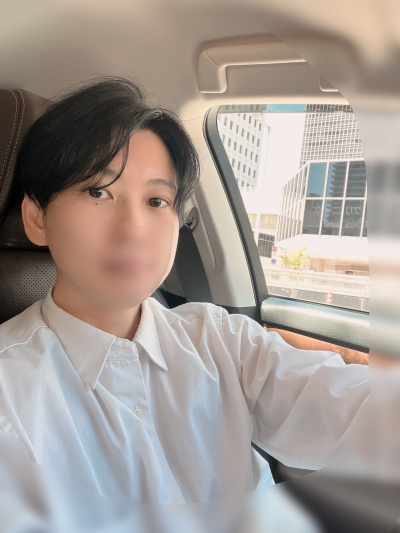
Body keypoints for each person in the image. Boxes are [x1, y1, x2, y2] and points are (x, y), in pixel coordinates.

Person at [0, 77, 368, 507]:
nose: (134, 229)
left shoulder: (221, 340)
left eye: (157, 201)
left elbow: (355, 407)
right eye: (98, 191)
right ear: (37, 218)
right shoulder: (11, 392)